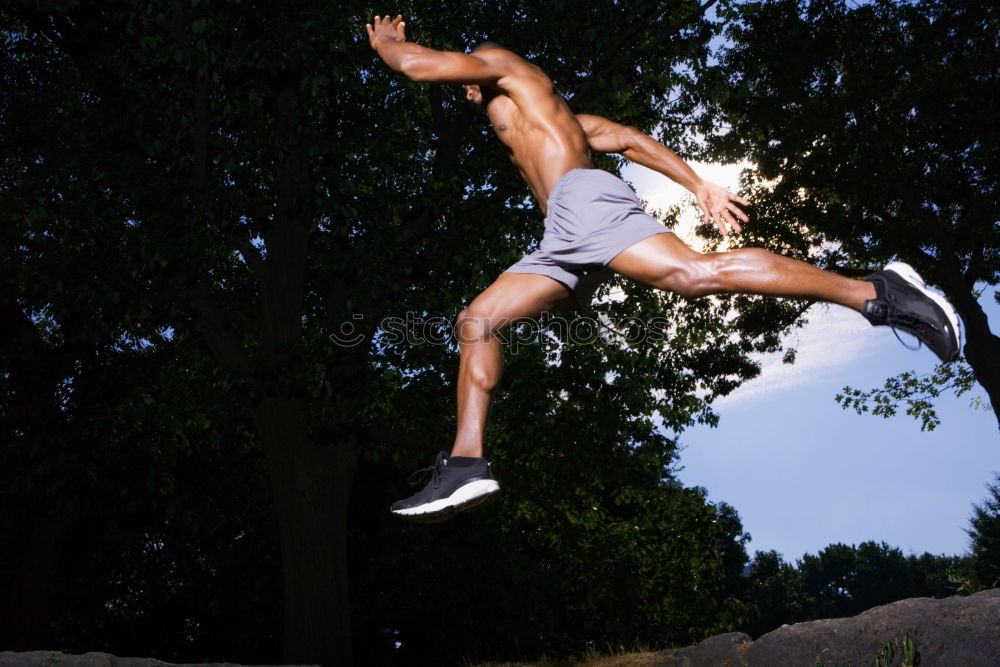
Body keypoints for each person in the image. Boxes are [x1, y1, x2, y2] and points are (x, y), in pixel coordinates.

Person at [365, 15, 961, 521]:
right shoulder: (560, 121)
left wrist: (386, 45)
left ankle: (876, 292)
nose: (465, 86)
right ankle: (466, 463)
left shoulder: (507, 68)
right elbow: (626, 138)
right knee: (478, 321)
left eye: (466, 74)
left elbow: (417, 65)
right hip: (562, 238)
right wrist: (698, 183)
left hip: (582, 204)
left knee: (693, 275)